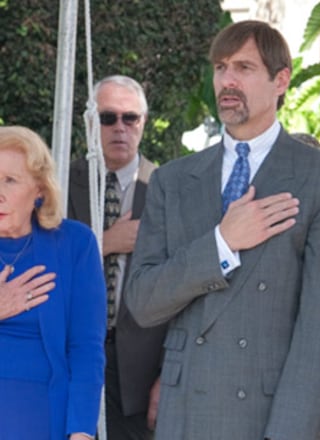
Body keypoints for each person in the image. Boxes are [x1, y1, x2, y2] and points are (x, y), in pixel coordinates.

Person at [124, 20, 320, 440]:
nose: (227, 80)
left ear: (281, 80)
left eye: (244, 68)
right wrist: (222, 243)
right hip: (183, 421)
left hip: (266, 419)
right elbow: (143, 302)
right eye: (220, 67)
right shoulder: (173, 180)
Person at [67, 75, 167, 439]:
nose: (119, 128)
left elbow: (183, 294)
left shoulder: (168, 188)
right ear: (90, 123)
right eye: (108, 118)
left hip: (138, 375)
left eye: (130, 118)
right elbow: (46, 264)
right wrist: (104, 242)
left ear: (143, 122)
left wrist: (167, 377)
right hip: (70, 360)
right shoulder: (58, 180)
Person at [0, 126, 106, 440]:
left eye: (10, 180)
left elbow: (86, 347)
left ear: (40, 189)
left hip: (44, 415)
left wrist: (81, 432)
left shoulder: (75, 243)